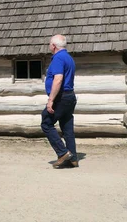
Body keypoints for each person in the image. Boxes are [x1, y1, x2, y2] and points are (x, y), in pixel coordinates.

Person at [41, 34, 78, 168]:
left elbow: (58, 79)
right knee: (67, 126)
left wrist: (51, 100)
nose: (49, 46)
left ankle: (63, 153)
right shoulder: (69, 58)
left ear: (54, 46)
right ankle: (72, 157)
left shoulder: (58, 58)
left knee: (46, 122)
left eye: (50, 44)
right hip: (70, 96)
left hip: (61, 98)